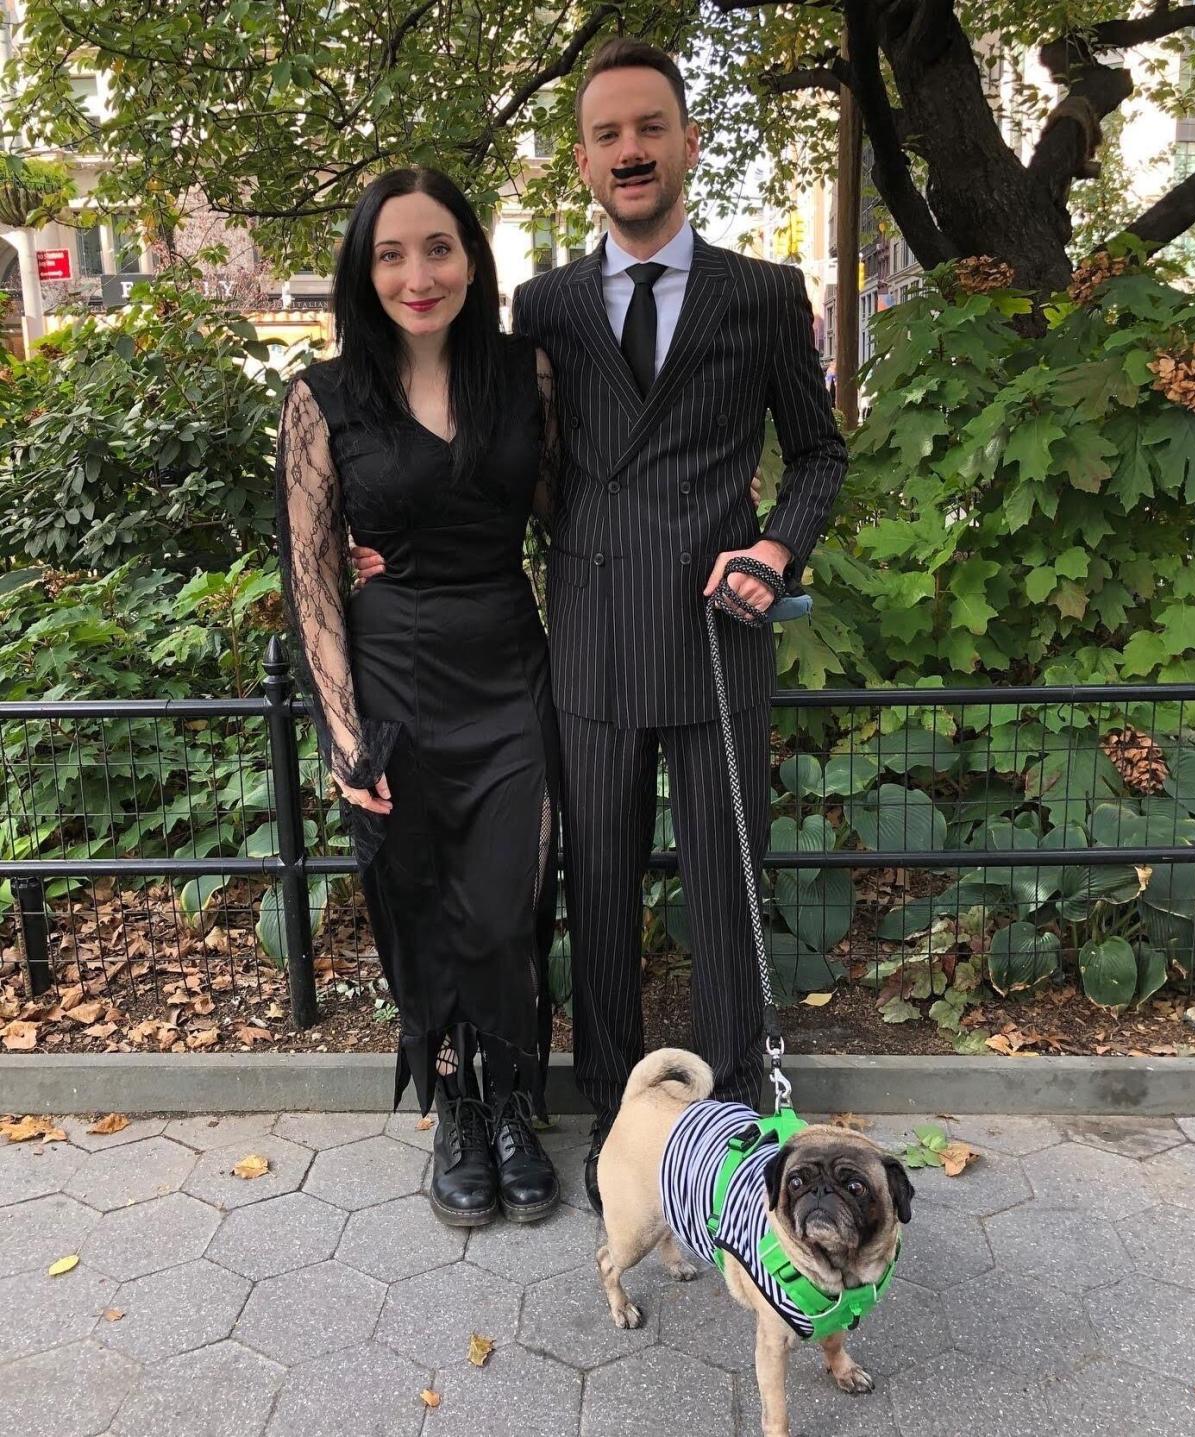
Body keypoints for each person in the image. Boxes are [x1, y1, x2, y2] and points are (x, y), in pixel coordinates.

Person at [353, 40, 847, 1215]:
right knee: (602, 885)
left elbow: (821, 455)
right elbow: (506, 460)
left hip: (721, 641)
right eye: (608, 135)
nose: (630, 150)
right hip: (585, 640)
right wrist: (387, 545)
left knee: (727, 886)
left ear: (685, 141)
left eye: (650, 128)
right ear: (582, 160)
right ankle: (625, 1118)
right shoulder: (546, 308)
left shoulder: (764, 295)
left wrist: (775, 548)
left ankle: (726, 1125)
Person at [274, 167, 561, 1229]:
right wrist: (346, 735)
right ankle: (455, 1107)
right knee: (418, 909)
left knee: (503, 907)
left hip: (508, 677)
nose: (417, 273)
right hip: (391, 682)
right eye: (391, 253)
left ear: (472, 258)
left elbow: (571, 511)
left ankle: (512, 1099)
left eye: (437, 247)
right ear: (364, 269)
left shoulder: (524, 374)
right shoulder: (323, 399)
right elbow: (309, 578)